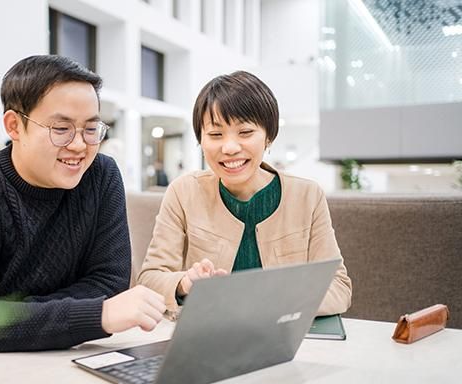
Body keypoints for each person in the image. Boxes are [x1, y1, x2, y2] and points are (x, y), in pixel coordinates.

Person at [0, 55, 165, 362]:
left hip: (62, 353)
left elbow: (110, 282)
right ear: (14, 125)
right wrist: (94, 314)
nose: (79, 145)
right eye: (61, 128)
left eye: (91, 129)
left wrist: (12, 316)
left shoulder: (101, 175)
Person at [137, 71, 352, 316]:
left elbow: (339, 288)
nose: (229, 148)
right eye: (216, 135)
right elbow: (149, 279)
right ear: (201, 140)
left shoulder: (307, 196)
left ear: (268, 137)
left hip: (284, 338)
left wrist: (272, 302)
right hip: (209, 339)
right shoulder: (183, 191)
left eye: (246, 132)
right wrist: (184, 283)